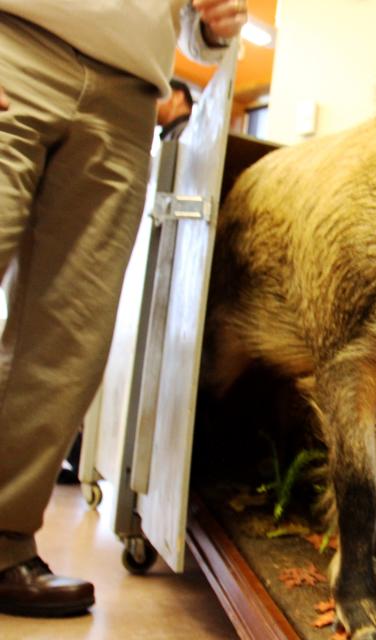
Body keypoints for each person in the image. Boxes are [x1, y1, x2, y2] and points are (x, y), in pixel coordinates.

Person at [0, 0, 245, 618]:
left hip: (130, 91)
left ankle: (3, 541)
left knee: (69, 335)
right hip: (16, 45)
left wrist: (212, 28)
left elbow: (194, 19)